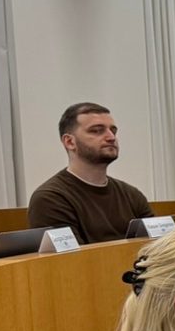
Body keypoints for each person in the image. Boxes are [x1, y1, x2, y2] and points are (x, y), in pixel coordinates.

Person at [27, 102, 153, 243]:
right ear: (70, 142)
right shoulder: (50, 198)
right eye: (97, 131)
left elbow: (160, 245)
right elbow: (73, 256)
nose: (111, 137)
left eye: (113, 131)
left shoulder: (131, 194)